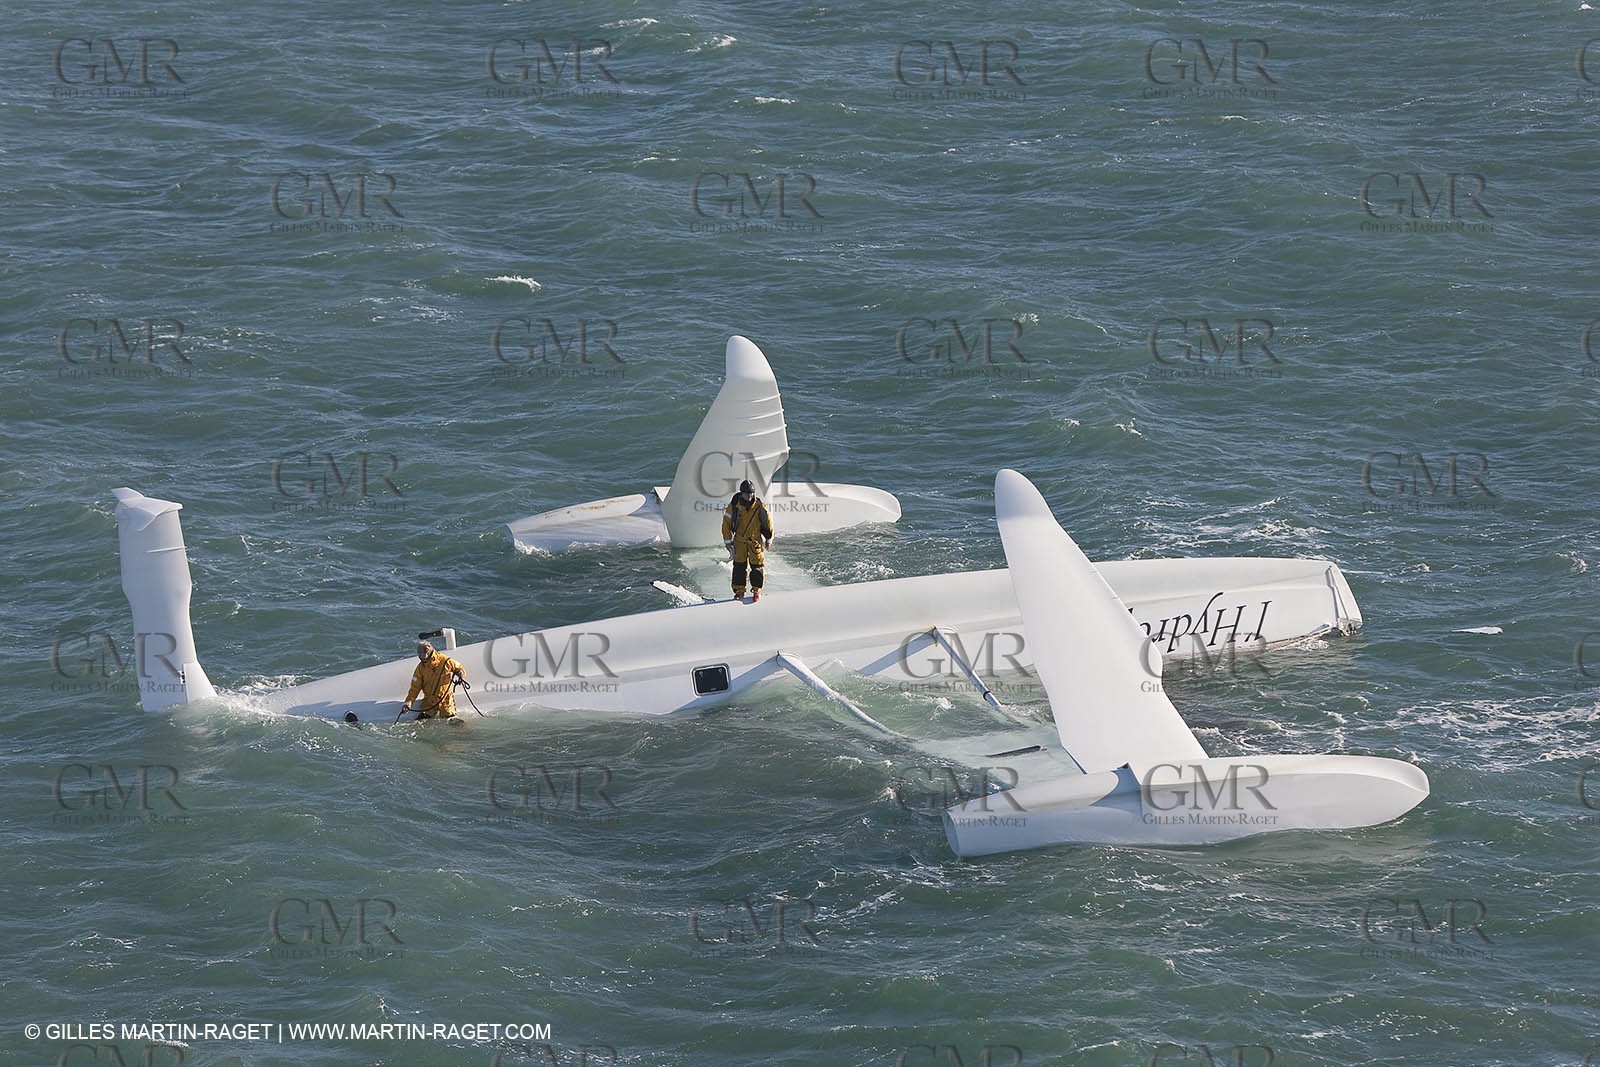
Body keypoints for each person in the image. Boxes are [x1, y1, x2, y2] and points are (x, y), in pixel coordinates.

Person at [722, 479, 774, 601]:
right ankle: (739, 591)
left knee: (757, 566)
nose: (749, 496)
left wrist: (769, 539)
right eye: (747, 493)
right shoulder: (734, 506)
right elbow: (726, 524)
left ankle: (756, 590)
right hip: (739, 541)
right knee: (739, 566)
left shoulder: (759, 506)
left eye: (751, 493)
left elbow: (768, 523)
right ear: (742, 493)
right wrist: (727, 540)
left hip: (755, 541)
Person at [400, 640, 466, 719]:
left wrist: (460, 673)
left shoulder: (445, 661)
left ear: (428, 652)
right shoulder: (420, 668)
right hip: (429, 700)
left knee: (452, 720)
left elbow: (459, 667)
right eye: (418, 653)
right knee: (421, 720)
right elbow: (415, 688)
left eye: (421, 653)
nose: (419, 656)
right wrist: (408, 703)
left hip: (445, 699)